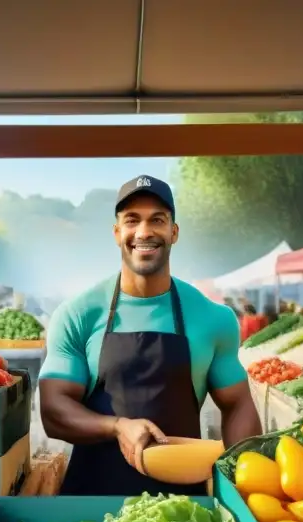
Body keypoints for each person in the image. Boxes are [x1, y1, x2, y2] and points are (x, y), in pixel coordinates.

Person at [40, 174, 261, 497]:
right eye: (132, 220)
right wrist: (116, 426)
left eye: (157, 220)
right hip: (90, 506)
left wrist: (242, 480)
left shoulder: (214, 318)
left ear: (174, 232)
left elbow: (238, 403)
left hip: (185, 510)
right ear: (117, 233)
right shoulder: (78, 314)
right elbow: (53, 409)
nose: (144, 232)